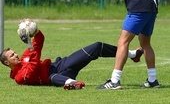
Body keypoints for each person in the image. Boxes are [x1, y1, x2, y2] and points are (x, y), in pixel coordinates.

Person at [0, 25, 143, 90]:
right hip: (55, 76)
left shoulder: (25, 56)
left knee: (96, 46)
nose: (16, 55)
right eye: (12, 55)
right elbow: (33, 67)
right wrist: (30, 46)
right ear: (7, 63)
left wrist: (34, 31)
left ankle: (132, 54)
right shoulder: (19, 78)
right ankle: (73, 83)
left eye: (14, 52)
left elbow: (40, 41)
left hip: (61, 65)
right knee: (52, 78)